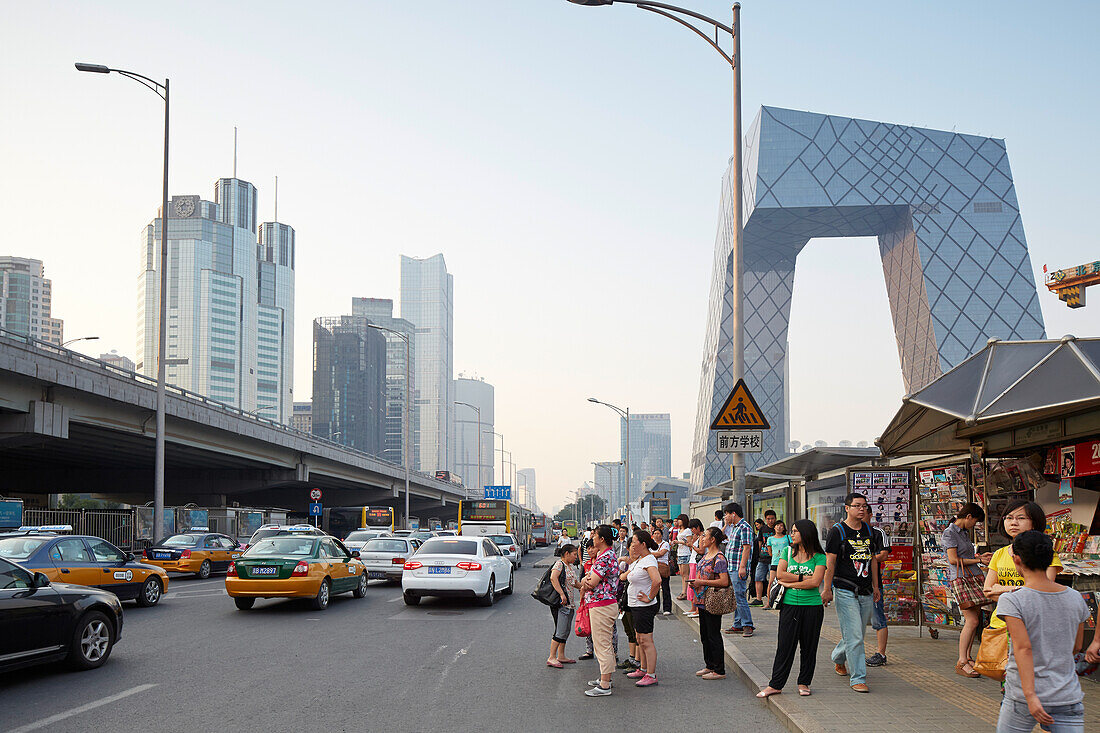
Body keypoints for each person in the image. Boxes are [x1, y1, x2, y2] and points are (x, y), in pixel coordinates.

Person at [994, 530, 1089, 733]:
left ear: (1017, 560)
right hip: (1066, 693)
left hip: (1023, 696)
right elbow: (1077, 646)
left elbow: (1023, 649)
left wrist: (1031, 696)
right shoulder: (1074, 598)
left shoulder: (1013, 600)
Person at [757, 519, 827, 698]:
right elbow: (779, 575)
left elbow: (816, 582)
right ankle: (775, 684)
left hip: (812, 607)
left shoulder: (820, 556)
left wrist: (792, 580)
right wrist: (804, 578)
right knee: (785, 646)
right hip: (789, 607)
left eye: (795, 531)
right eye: (792, 531)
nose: (792, 534)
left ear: (806, 534)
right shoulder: (787, 552)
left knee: (809, 647)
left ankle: (804, 682)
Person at [820, 493, 880, 693]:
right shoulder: (837, 531)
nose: (861, 509)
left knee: (857, 634)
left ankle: (838, 657)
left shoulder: (870, 531)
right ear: (847, 508)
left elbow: (872, 561)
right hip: (844, 589)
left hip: (866, 590)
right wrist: (827, 589)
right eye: (856, 506)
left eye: (864, 506)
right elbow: (830, 561)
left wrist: (876, 587)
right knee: (855, 636)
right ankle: (858, 678)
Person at [983, 501, 1063, 630]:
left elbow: (1043, 590)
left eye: (1021, 518)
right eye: (1009, 518)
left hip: (1031, 625)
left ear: (1034, 523)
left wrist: (1002, 589)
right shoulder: (999, 554)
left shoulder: (1045, 553)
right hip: (999, 625)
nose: (1013, 522)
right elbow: (988, 591)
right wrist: (1024, 593)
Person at [943, 502, 993, 678]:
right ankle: (962, 660)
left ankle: (968, 657)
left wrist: (979, 557)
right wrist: (978, 561)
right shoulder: (950, 533)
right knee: (971, 620)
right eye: (976, 521)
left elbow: (965, 556)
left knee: (975, 619)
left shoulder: (963, 533)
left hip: (972, 577)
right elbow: (953, 559)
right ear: (969, 517)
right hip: (961, 579)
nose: (975, 525)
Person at [580, 524, 620, 697]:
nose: (592, 538)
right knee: (605, 643)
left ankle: (605, 685)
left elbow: (591, 582)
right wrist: (586, 579)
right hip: (603, 603)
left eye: (595, 535)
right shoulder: (605, 555)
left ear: (602, 539)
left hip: (602, 604)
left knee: (602, 644)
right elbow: (590, 578)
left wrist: (585, 580)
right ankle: (606, 678)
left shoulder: (605, 557)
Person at [689, 526, 730, 680]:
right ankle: (709, 665)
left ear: (713, 539)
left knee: (713, 634)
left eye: (705, 536)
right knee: (705, 635)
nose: (702, 538)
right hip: (701, 600)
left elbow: (724, 581)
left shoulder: (718, 558)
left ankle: (719, 670)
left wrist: (701, 581)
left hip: (712, 600)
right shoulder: (706, 555)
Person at [623, 530, 661, 687]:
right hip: (636, 606)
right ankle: (643, 668)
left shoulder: (649, 560)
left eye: (634, 543)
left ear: (643, 544)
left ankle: (651, 674)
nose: (631, 546)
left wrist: (649, 597)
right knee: (639, 639)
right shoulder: (640, 560)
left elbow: (657, 580)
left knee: (646, 640)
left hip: (644, 607)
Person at [723, 503, 755, 637]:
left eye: (727, 514)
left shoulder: (744, 527)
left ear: (733, 514)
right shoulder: (735, 527)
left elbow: (746, 548)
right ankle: (738, 624)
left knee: (740, 596)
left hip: (738, 567)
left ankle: (748, 625)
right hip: (731, 566)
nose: (725, 517)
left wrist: (742, 567)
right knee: (736, 596)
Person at [548, 544, 581, 668]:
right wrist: (562, 594)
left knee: (566, 630)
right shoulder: (559, 564)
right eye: (574, 554)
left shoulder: (570, 567)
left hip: (570, 604)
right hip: (561, 603)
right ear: (566, 554)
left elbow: (575, 583)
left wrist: (586, 587)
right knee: (560, 630)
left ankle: (561, 655)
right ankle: (551, 657)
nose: (575, 557)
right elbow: (553, 578)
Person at [866, 514, 891, 668]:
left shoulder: (878, 533)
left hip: (873, 583)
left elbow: (884, 554)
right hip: (852, 584)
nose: (860, 513)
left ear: (870, 515)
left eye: (864, 509)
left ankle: (881, 654)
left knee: (878, 618)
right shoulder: (847, 533)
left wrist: (866, 557)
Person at [752, 510, 778, 605]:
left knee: (773, 580)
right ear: (765, 519)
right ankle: (759, 599)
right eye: (768, 519)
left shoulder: (778, 528)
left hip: (774, 559)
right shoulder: (763, 529)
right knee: (758, 578)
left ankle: (772, 600)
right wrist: (758, 554)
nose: (770, 521)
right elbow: (759, 542)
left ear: (775, 518)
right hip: (762, 558)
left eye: (772, 519)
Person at [763, 520, 790, 610]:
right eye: (777, 525)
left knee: (785, 582)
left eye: (781, 526)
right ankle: (769, 602)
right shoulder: (770, 539)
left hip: (786, 563)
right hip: (774, 563)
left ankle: (783, 601)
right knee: (771, 582)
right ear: (774, 527)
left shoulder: (787, 537)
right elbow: (770, 552)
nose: (779, 527)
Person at [652, 527, 673, 615]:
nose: (657, 535)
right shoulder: (651, 544)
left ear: (661, 535)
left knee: (665, 588)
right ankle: (656, 608)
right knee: (655, 589)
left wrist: (652, 554)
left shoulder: (665, 544)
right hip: (653, 568)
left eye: (658, 533)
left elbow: (661, 553)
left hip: (663, 568)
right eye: (655, 534)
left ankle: (667, 608)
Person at [674, 514, 693, 602]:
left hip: (685, 553)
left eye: (680, 520)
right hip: (680, 553)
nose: (678, 521)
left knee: (685, 574)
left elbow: (689, 543)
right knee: (682, 574)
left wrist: (679, 542)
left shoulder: (688, 530)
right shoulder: (680, 530)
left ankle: (685, 592)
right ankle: (683, 591)